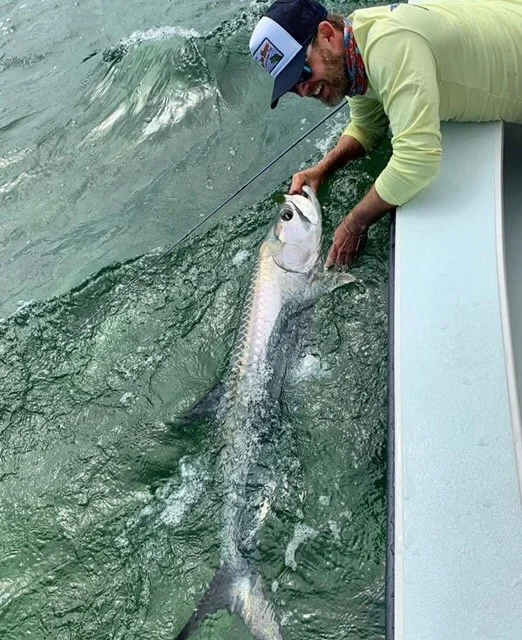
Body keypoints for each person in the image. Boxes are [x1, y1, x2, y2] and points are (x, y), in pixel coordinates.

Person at [249, 0, 522, 266]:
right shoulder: (355, 46)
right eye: (292, 87)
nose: (303, 90)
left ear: (327, 35)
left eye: (302, 73)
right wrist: (323, 169)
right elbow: (367, 127)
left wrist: (354, 223)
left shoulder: (390, 49)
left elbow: (417, 161)